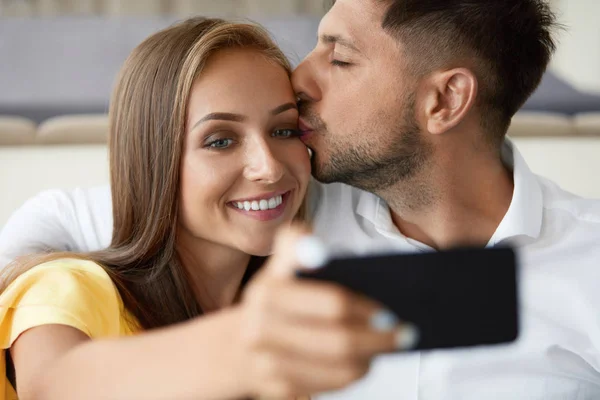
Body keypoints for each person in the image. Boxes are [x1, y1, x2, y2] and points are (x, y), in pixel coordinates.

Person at [3, 0, 600, 399]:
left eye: (340, 58)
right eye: (221, 138)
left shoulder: (585, 261)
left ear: (444, 102)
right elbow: (79, 218)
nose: (301, 77)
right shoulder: (288, 207)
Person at [0, 17, 414, 400]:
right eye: (220, 140)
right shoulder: (68, 286)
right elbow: (53, 386)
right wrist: (243, 344)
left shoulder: (284, 341)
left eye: (283, 130)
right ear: (154, 161)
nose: (268, 168)